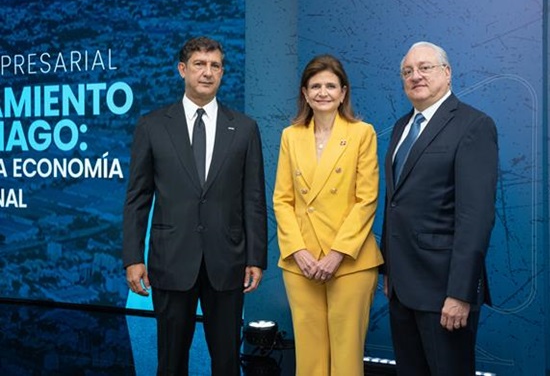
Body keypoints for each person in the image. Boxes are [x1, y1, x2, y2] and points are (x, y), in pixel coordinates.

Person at [122, 36, 268, 376]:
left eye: (215, 65)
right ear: (182, 69)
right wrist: (133, 258)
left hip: (228, 263)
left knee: (227, 363)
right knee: (171, 363)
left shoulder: (245, 128)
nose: (207, 72)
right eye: (199, 64)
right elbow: (138, 198)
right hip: (171, 261)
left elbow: (253, 198)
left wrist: (255, 258)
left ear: (222, 72)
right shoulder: (152, 126)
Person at [381, 41, 498, 376]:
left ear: (447, 73)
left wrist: (460, 293)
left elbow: (475, 217)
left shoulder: (473, 125)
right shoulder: (402, 127)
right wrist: (389, 270)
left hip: (444, 292)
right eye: (407, 71)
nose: (415, 76)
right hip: (401, 288)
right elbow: (395, 203)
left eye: (425, 68)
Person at [273, 55, 384, 376]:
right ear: (305, 94)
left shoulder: (362, 133)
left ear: (343, 92)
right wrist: (298, 251)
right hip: (301, 263)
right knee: (309, 360)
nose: (323, 92)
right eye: (316, 86)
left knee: (346, 359)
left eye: (331, 86)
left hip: (350, 262)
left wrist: (337, 254)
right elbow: (282, 200)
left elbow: (366, 200)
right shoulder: (290, 135)